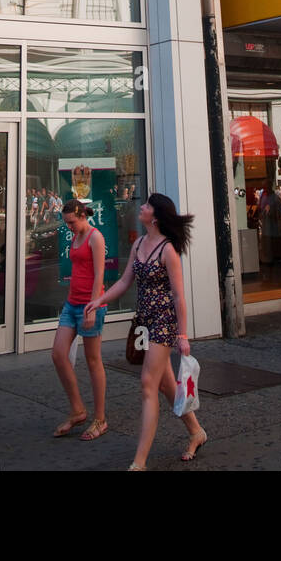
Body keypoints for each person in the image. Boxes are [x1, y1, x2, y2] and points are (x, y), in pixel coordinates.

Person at [86, 192, 206, 470]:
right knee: (165, 385)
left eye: (147, 205)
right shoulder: (139, 243)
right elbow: (125, 281)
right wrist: (100, 300)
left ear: (156, 216)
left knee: (147, 384)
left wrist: (183, 336)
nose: (141, 207)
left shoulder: (167, 250)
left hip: (164, 322)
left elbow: (178, 296)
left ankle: (139, 462)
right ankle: (196, 432)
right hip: (144, 322)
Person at [52, 199, 108, 442]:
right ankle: (78, 409)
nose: (69, 227)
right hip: (72, 303)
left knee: (93, 360)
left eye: (71, 222)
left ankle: (100, 418)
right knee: (57, 354)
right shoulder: (75, 237)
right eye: (66, 224)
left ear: (82, 215)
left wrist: (93, 307)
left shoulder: (96, 237)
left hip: (90, 305)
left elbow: (99, 275)